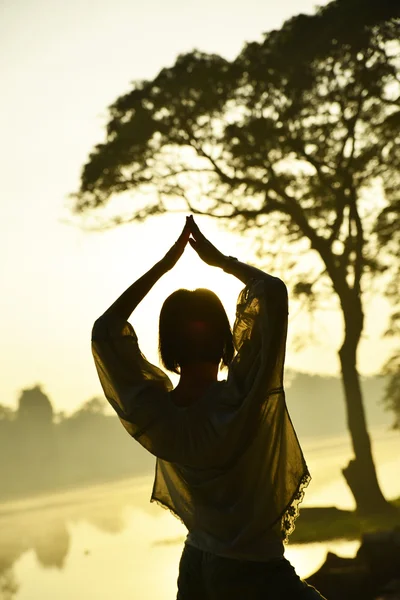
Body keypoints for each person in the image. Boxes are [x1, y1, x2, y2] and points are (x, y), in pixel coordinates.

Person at [91, 215, 327, 599]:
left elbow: (105, 332)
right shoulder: (241, 398)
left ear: (166, 344)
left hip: (197, 562)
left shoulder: (159, 417)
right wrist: (221, 261)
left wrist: (162, 267)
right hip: (252, 569)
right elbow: (270, 293)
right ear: (224, 340)